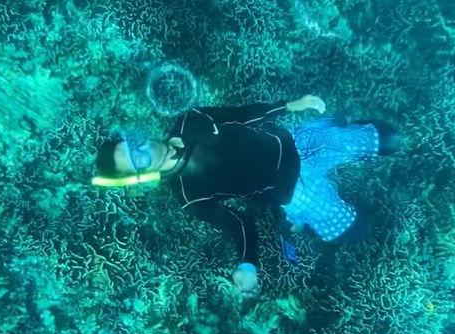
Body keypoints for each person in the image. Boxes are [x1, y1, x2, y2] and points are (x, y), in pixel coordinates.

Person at [93, 94, 400, 296]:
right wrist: (247, 265)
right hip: (294, 191)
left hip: (294, 142)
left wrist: (291, 105)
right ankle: (299, 227)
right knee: (353, 229)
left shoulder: (191, 120)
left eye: (134, 145)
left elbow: (242, 115)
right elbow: (238, 225)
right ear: (138, 175)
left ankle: (401, 139)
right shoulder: (190, 195)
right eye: (135, 161)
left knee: (378, 138)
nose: (142, 152)